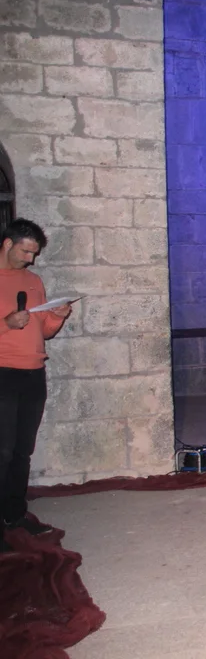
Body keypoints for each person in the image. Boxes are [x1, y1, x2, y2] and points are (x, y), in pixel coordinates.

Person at [0, 219, 73, 553]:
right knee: (2, 451)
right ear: (7, 244)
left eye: (34, 253)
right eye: (26, 252)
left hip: (33, 373)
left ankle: (15, 515)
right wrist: (6, 324)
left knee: (22, 451)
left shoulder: (33, 281)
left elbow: (44, 331)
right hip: (3, 372)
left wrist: (57, 315)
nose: (31, 259)